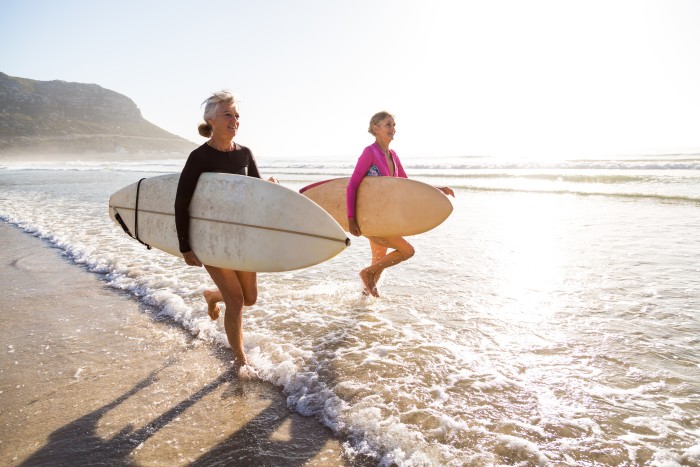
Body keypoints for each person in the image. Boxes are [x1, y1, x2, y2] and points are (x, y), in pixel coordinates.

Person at [175, 90, 276, 366]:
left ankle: (211, 295)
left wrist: (271, 187)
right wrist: (185, 245)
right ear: (211, 119)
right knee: (236, 302)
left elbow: (256, 191)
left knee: (249, 298)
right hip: (211, 238)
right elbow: (181, 202)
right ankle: (240, 361)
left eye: (236, 116)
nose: (234, 120)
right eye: (227, 115)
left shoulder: (245, 154)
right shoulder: (199, 157)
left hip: (241, 236)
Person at [347, 111, 454, 297]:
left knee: (379, 260)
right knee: (407, 251)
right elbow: (353, 185)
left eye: (394, 125)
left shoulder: (393, 155)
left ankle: (362, 305)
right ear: (376, 128)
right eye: (388, 124)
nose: (393, 128)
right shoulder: (370, 152)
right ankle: (366, 274)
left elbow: (407, 184)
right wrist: (351, 219)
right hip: (375, 218)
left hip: (388, 218)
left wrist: (436, 189)